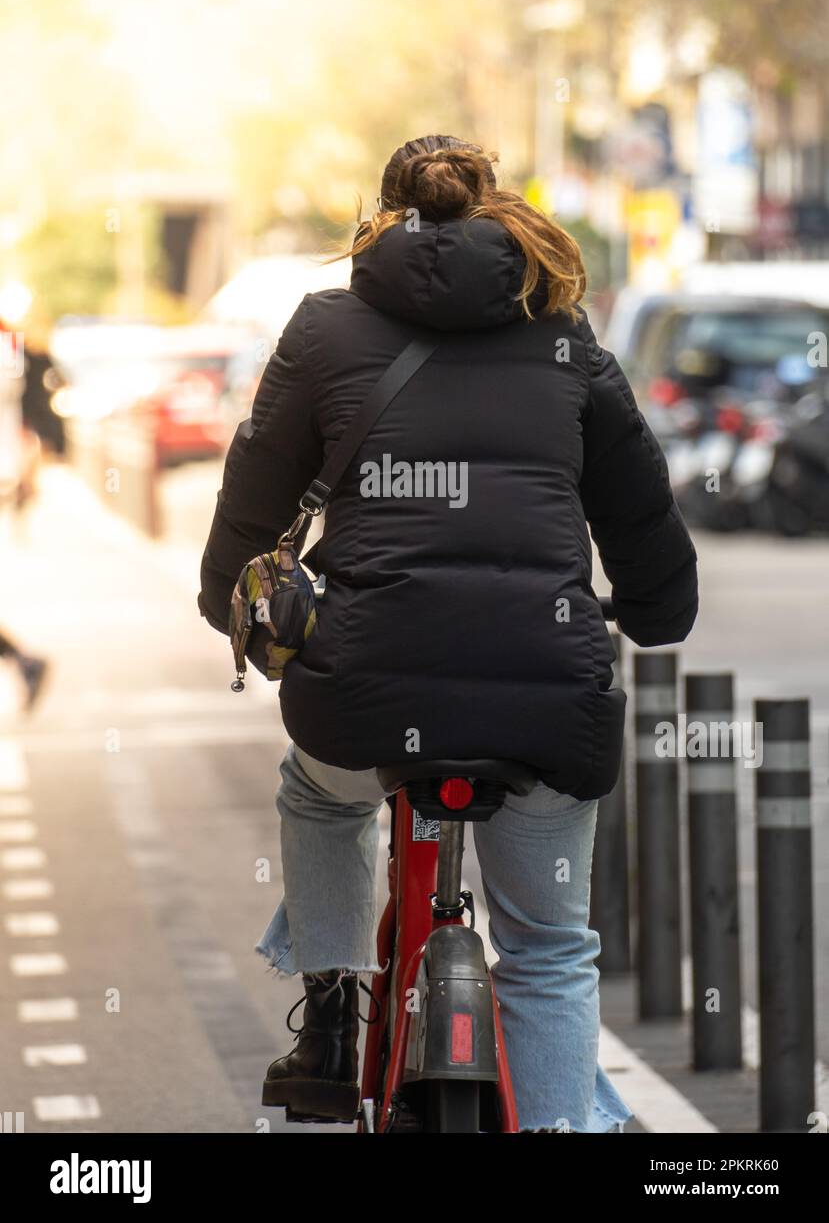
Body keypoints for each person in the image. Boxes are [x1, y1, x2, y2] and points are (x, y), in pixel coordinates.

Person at [198, 135, 698, 1133]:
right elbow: (638, 509)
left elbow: (256, 491)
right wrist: (650, 613)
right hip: (546, 689)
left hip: (361, 689)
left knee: (321, 789)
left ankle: (333, 1016)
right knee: (550, 946)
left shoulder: (325, 327)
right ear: (491, 210)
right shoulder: (561, 331)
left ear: (378, 220)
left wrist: (232, 604)